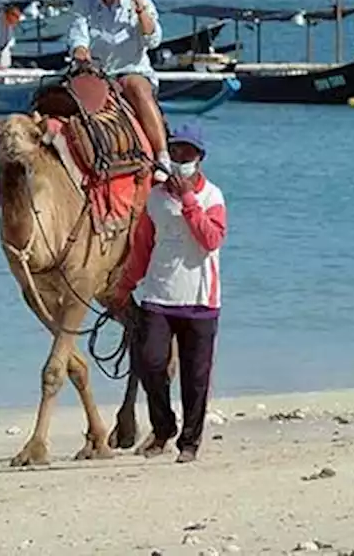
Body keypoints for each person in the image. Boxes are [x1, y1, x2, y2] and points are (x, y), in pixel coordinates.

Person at [110, 122, 227, 464]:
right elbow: (142, 248)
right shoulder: (156, 199)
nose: (180, 157)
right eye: (175, 151)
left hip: (201, 302)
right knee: (150, 363)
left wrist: (189, 200)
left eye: (187, 152)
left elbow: (211, 239)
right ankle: (163, 428)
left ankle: (189, 444)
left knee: (195, 377)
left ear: (199, 157)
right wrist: (124, 286)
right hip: (159, 297)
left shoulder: (212, 197)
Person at [67, 0, 171, 181]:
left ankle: (162, 156)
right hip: (95, 72)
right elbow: (78, 36)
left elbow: (152, 40)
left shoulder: (142, 3)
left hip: (131, 71)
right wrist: (81, 52)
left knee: (138, 88)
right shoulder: (84, 2)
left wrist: (137, 2)